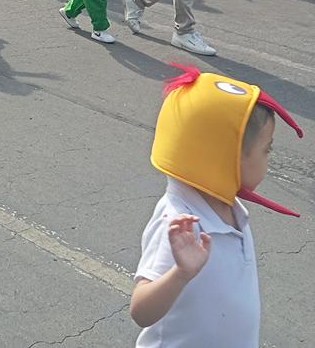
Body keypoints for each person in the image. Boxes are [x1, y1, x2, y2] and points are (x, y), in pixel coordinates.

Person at [129, 67, 302, 347]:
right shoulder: (179, 224)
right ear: (224, 157)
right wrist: (181, 274)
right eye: (266, 150)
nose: (269, 160)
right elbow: (141, 310)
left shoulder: (229, 208)